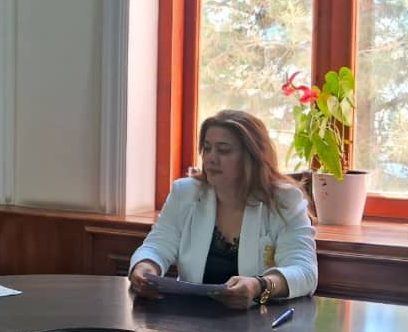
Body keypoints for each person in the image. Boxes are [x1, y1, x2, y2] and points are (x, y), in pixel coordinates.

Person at [129, 109, 317, 309]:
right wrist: (145, 267)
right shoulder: (185, 193)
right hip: (192, 317)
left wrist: (260, 286)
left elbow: (305, 271)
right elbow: (157, 246)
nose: (211, 158)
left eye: (223, 150)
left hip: (260, 320)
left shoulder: (285, 200)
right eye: (207, 148)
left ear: (251, 157)